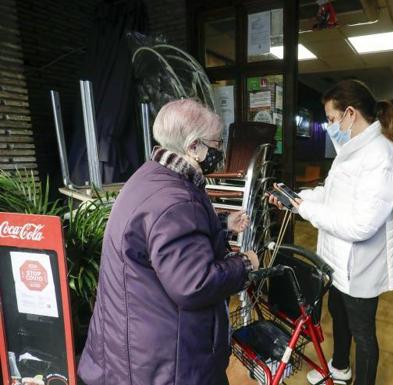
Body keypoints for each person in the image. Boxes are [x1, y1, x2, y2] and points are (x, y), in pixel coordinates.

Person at [78, 99, 259, 385]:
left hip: (132, 343)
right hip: (164, 361)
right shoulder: (177, 200)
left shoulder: (150, 177)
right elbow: (193, 284)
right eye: (216, 143)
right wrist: (244, 264)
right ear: (194, 147)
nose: (220, 151)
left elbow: (166, 241)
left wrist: (223, 225)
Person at [269, 80, 393, 385]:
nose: (330, 126)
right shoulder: (350, 151)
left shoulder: (381, 155)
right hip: (335, 259)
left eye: (331, 119)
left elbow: (361, 225)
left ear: (351, 114)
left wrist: (305, 209)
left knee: (363, 333)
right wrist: (296, 198)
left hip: (360, 265)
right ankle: (340, 369)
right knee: (338, 315)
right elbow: (329, 194)